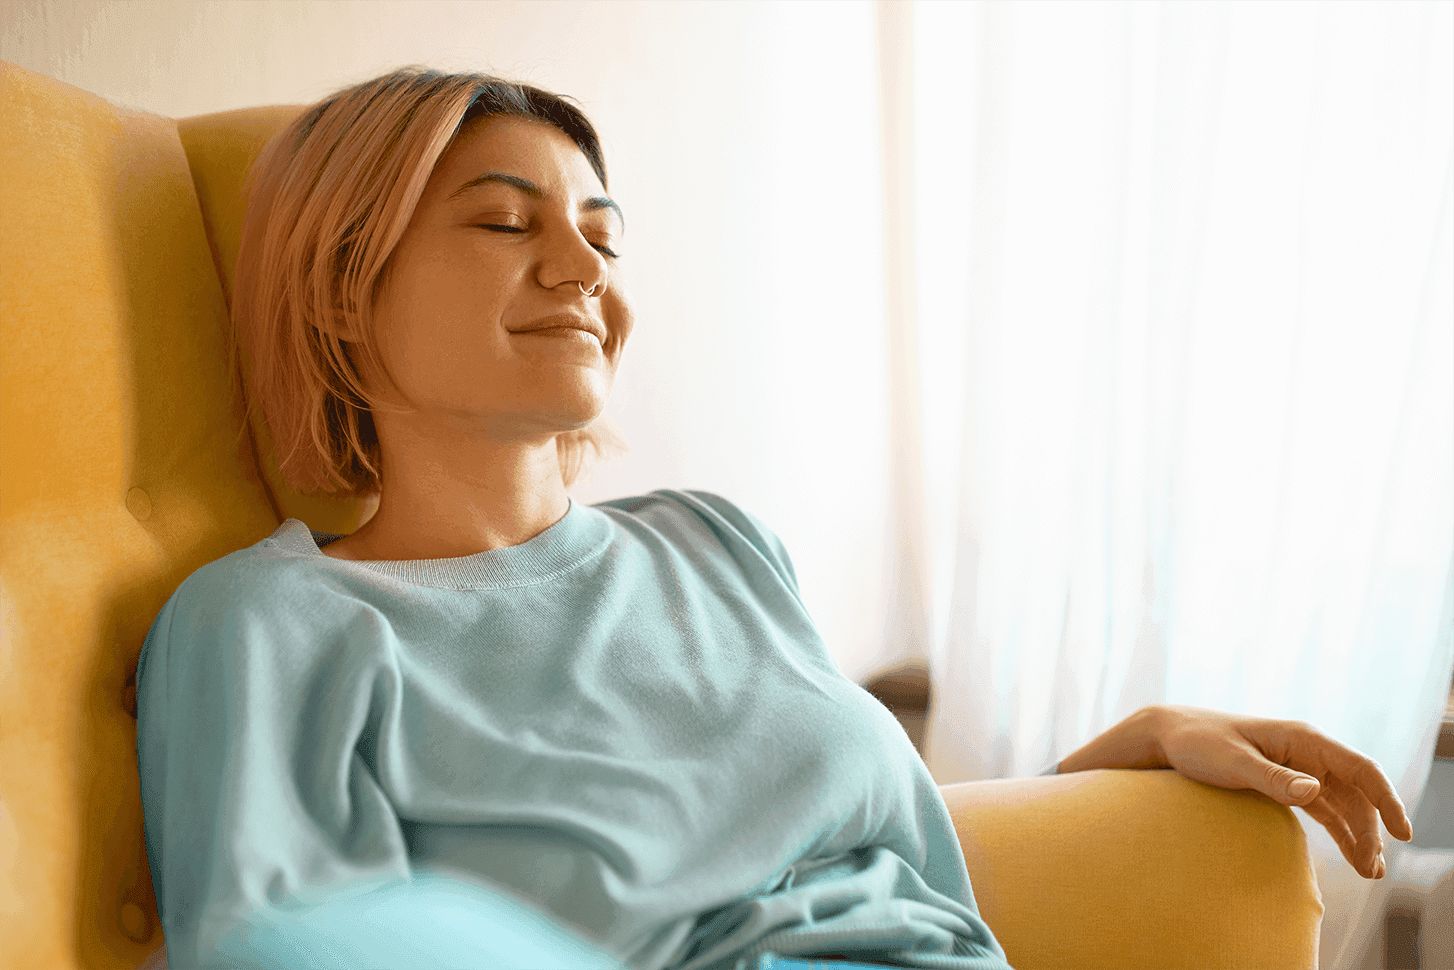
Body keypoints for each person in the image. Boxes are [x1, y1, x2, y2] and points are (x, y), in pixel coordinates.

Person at [134, 66, 1414, 970]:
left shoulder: (714, 543)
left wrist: (1128, 742)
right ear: (341, 294)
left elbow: (866, 837)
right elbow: (278, 935)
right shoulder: (274, 620)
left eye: (599, 231)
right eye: (502, 222)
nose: (583, 270)